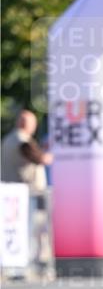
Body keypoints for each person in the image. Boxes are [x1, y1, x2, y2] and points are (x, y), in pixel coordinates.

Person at [1, 109, 53, 269]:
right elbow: (40, 158)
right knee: (33, 227)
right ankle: (30, 262)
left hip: (10, 192)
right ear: (26, 124)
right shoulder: (22, 140)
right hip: (27, 192)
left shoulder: (8, 139)